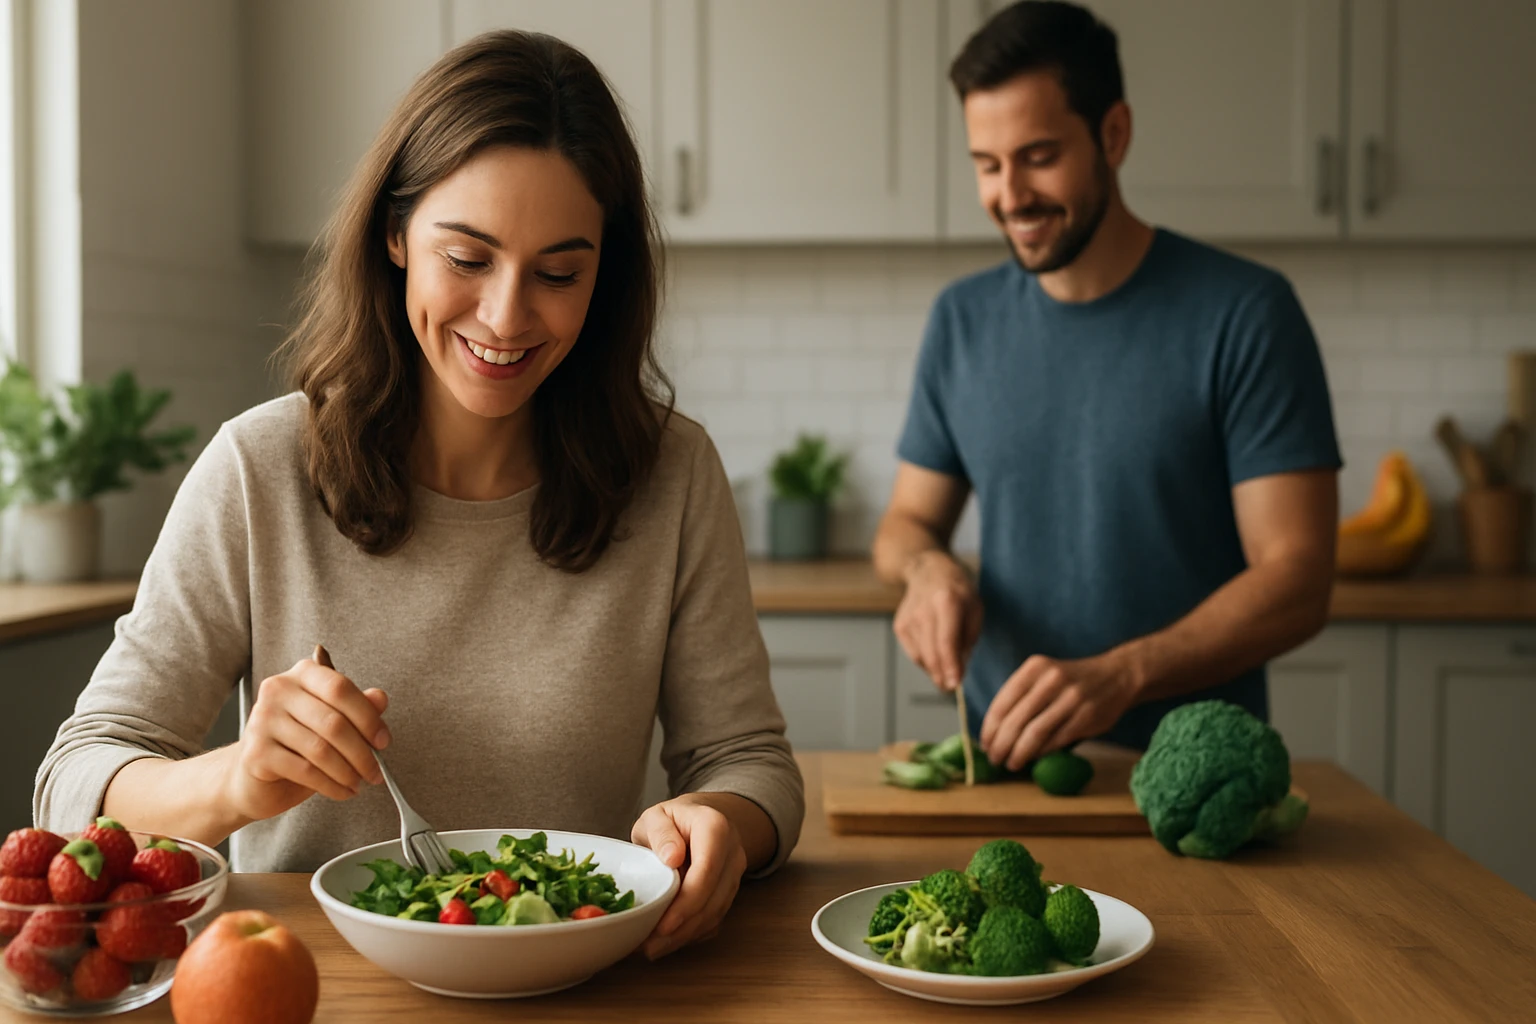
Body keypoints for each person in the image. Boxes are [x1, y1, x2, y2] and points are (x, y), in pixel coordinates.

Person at [35, 30, 802, 960]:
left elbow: (750, 764)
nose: (508, 316)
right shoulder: (260, 466)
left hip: (583, 984)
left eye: (560, 273)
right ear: (395, 236)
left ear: (604, 278)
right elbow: (78, 774)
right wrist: (240, 777)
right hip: (306, 986)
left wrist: (719, 822)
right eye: (468, 258)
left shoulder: (672, 474)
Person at [873, 0, 1341, 771]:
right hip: (1009, 766)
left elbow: (1298, 578)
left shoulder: (1247, 313)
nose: (1010, 195)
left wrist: (1123, 674)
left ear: (1114, 135)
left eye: (1039, 156)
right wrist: (928, 570)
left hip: (1194, 782)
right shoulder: (963, 319)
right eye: (987, 165)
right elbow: (904, 524)